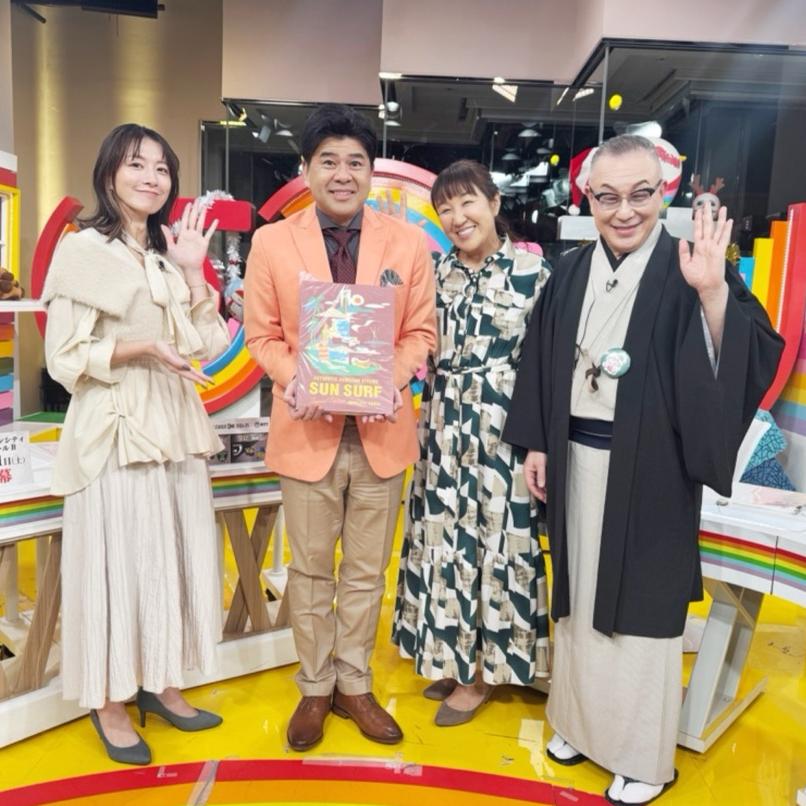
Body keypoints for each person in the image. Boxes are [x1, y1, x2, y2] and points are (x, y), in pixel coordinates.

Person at [503, 134, 783, 805]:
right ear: (587, 198)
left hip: (652, 467)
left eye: (640, 194)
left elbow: (751, 353)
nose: (624, 210)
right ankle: (577, 724)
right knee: (578, 600)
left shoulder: (690, 266)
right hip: (575, 460)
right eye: (607, 196)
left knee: (639, 613)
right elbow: (541, 360)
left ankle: (641, 758)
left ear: (664, 192)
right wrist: (538, 444)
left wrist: (713, 295)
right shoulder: (571, 270)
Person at [244, 103, 437, 751]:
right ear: (307, 170)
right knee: (308, 571)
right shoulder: (273, 243)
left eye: (356, 161)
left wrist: (393, 379)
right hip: (308, 430)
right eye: (328, 161)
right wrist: (295, 377)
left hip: (380, 433)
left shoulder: (405, 242)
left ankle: (355, 683)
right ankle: (315, 685)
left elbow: (420, 332)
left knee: (365, 571)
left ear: (371, 171)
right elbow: (262, 336)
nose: (343, 174)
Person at [43, 123, 229, 765]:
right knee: (115, 565)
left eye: (162, 168)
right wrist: (142, 348)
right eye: (136, 165)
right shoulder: (83, 249)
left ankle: (159, 681)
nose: (151, 178)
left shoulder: (164, 254)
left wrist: (193, 272)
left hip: (173, 426)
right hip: (116, 428)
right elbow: (64, 358)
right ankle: (108, 700)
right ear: (108, 174)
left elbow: (206, 345)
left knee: (166, 559)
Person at [390, 160, 551, 726]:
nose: (457, 217)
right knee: (443, 540)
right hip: (442, 424)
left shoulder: (534, 273)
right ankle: (452, 656)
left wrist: (540, 441)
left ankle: (483, 673)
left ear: (493, 203)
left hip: (504, 428)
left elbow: (547, 364)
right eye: (445, 208)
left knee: (496, 542)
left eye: (467, 202)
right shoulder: (433, 273)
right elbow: (406, 336)